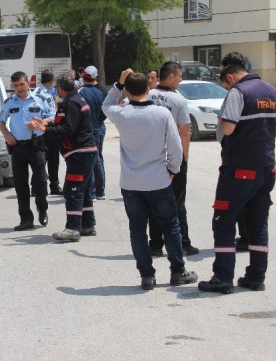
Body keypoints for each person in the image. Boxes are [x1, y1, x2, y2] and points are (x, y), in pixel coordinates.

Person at [103, 68, 198, 290]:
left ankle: (146, 275)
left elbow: (106, 105)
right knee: (170, 226)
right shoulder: (161, 114)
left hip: (131, 183)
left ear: (127, 91)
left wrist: (118, 84)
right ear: (149, 88)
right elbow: (175, 147)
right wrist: (173, 169)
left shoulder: (122, 113)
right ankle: (177, 271)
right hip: (158, 180)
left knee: (137, 229)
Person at [198, 52, 276, 294]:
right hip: (267, 168)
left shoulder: (239, 92)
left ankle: (222, 277)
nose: (226, 87)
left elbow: (228, 127)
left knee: (223, 221)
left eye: (225, 83)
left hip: (239, 169)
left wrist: (222, 120)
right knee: (258, 223)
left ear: (231, 76)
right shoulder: (273, 92)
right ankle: (256, 277)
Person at [29, 74, 98, 242]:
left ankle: (73, 228)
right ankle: (87, 225)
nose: (56, 91)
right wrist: (47, 123)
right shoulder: (75, 100)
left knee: (72, 189)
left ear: (60, 88)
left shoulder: (71, 103)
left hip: (80, 152)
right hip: (83, 152)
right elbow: (64, 123)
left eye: (56, 88)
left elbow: (68, 129)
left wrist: (45, 130)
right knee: (84, 189)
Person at [147, 62, 200, 257]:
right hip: (173, 156)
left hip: (152, 157)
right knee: (177, 202)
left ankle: (155, 244)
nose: (181, 79)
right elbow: (184, 131)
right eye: (179, 76)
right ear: (170, 77)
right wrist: (185, 156)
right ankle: (183, 243)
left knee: (154, 201)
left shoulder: (149, 95)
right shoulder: (178, 100)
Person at [0, 71, 52, 231]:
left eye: (22, 84)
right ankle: (26, 219)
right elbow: (0, 121)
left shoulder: (39, 99)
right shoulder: (9, 102)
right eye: (15, 85)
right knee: (21, 185)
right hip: (18, 147)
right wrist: (7, 135)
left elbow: (50, 116)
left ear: (28, 83)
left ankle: (42, 208)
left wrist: (42, 123)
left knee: (41, 181)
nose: (19, 88)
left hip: (36, 145)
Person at [79, 65, 107, 201]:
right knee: (98, 159)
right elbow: (105, 112)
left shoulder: (82, 92)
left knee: (90, 161)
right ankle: (100, 191)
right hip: (99, 127)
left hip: (88, 129)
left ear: (83, 77)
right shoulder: (100, 92)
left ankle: (91, 191)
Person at [33, 70, 61, 195]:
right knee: (51, 159)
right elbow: (48, 114)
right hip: (47, 129)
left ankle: (36, 186)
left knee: (40, 160)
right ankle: (53, 186)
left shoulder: (36, 92)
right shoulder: (44, 94)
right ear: (51, 81)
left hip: (38, 129)